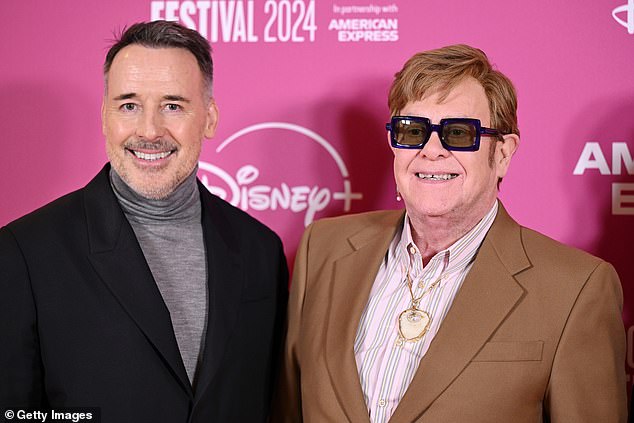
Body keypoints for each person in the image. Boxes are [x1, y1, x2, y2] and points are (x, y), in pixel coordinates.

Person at [272, 44, 627, 422]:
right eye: (413, 131)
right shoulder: (322, 250)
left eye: (459, 133)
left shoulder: (575, 288)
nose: (431, 150)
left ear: (503, 153)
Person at [0, 21, 288, 422]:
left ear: (208, 118)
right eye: (129, 105)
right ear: (105, 117)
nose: (149, 131)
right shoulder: (25, 253)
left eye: (172, 105)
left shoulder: (261, 250)